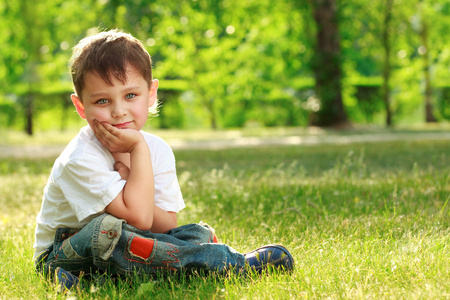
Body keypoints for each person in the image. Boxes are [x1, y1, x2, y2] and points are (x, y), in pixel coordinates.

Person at [33, 29, 294, 290]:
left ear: (151, 93)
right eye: (102, 100)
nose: (118, 111)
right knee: (107, 230)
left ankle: (116, 277)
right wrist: (137, 149)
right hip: (65, 254)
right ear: (81, 107)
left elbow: (166, 224)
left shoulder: (158, 149)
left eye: (130, 96)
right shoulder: (80, 158)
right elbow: (139, 219)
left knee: (191, 232)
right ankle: (228, 263)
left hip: (129, 243)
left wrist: (130, 178)